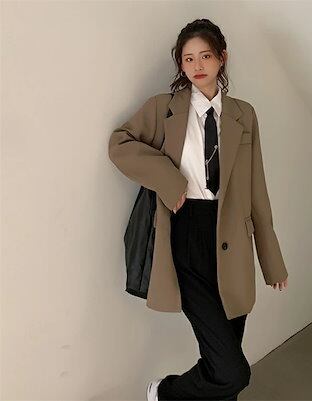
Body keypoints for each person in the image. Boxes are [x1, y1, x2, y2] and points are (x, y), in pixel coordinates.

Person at [109, 18, 288, 401]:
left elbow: (256, 187)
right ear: (180, 64)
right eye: (188, 58)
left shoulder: (243, 114)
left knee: (223, 361)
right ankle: (165, 392)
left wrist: (271, 260)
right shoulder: (164, 108)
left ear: (222, 58)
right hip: (186, 235)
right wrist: (168, 179)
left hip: (234, 239)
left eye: (205, 56)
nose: (197, 65)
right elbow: (120, 143)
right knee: (231, 371)